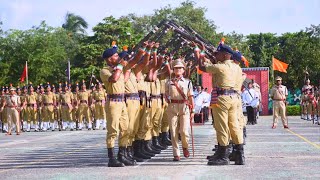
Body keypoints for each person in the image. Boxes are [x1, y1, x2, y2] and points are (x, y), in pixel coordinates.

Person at [196, 42, 245, 166]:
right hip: (234, 97)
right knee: (234, 126)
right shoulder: (236, 67)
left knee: (221, 126)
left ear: (224, 55)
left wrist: (200, 53)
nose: (216, 56)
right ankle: (239, 154)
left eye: (218, 54)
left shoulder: (220, 67)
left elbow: (202, 67)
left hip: (222, 99)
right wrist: (213, 59)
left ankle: (223, 156)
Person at [100, 43, 135, 167]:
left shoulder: (118, 69)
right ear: (109, 59)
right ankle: (112, 158)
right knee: (113, 130)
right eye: (115, 56)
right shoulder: (105, 71)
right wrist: (120, 66)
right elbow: (114, 79)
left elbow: (124, 79)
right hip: (113, 103)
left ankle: (122, 155)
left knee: (125, 129)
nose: (118, 57)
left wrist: (128, 67)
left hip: (122, 102)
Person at [165, 59, 194, 161]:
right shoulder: (168, 82)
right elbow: (166, 94)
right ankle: (176, 154)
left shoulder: (188, 82)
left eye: (180, 68)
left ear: (183, 70)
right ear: (173, 69)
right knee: (173, 132)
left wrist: (192, 111)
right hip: (172, 106)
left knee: (184, 131)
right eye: (176, 68)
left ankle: (185, 146)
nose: (178, 70)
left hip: (184, 106)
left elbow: (191, 96)